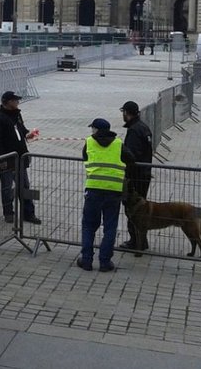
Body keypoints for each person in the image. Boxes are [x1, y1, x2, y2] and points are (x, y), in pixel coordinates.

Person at [78, 118, 134, 272]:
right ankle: (104, 262)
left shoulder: (89, 142)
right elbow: (131, 158)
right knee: (110, 227)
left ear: (96, 130)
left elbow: (85, 158)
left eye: (93, 129)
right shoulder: (118, 144)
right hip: (113, 190)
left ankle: (87, 260)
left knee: (89, 226)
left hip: (94, 189)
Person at [0, 91, 41, 225]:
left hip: (20, 157)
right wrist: (1, 160)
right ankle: (8, 213)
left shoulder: (17, 115)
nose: (17, 102)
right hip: (7, 159)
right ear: (7, 102)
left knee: (25, 186)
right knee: (7, 187)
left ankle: (28, 213)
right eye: (15, 100)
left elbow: (22, 130)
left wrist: (28, 134)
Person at [119, 100, 153, 251]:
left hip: (136, 176)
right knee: (140, 208)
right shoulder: (143, 127)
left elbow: (132, 155)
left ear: (126, 113)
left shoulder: (134, 130)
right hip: (144, 174)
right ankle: (141, 241)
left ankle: (136, 242)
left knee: (133, 209)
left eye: (123, 113)